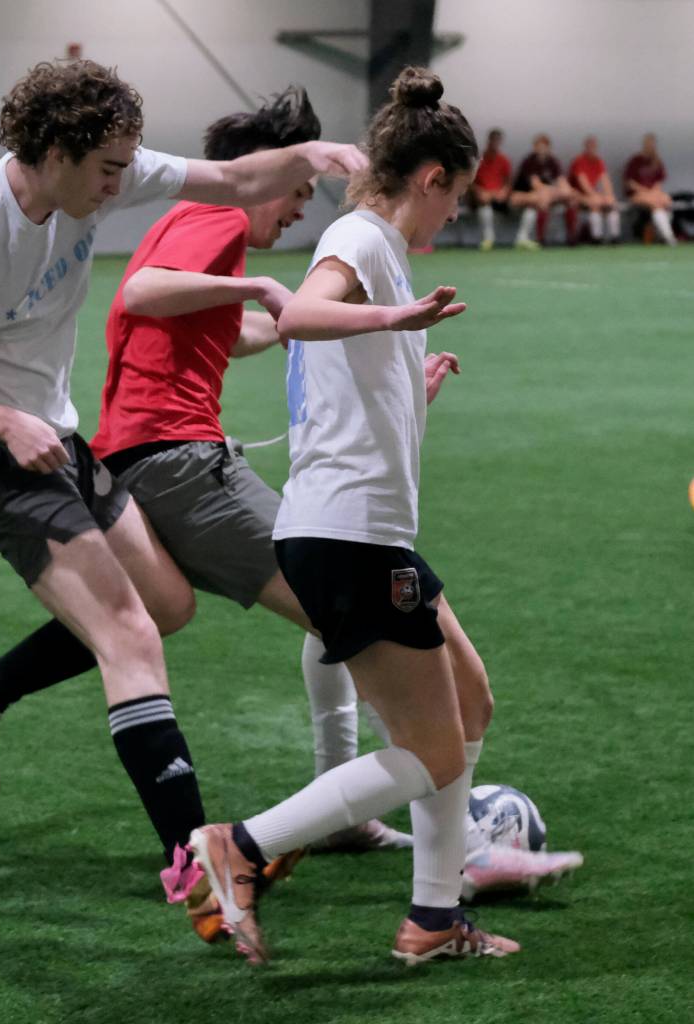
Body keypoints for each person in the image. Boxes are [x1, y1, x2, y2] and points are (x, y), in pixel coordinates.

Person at [0, 57, 364, 927]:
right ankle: (197, 867)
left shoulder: (96, 174)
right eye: (108, 170)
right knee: (129, 631)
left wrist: (315, 155)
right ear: (55, 152)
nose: (120, 185)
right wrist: (1, 422)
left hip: (54, 438)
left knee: (166, 604)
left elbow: (233, 179)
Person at [188, 66, 520, 967]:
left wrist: (410, 382)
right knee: (435, 753)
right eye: (457, 194)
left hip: (356, 529)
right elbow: (300, 316)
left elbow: (340, 382)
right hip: (347, 533)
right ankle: (240, 846)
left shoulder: (379, 250)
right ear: (431, 178)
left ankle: (434, 921)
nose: (456, 212)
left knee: (471, 700)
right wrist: (397, 318)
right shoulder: (361, 239)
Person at [510, 133, 577, 249]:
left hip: (547, 195)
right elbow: (536, 185)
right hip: (522, 196)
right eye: (539, 146)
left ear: (548, 147)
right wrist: (556, 191)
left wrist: (567, 191)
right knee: (543, 198)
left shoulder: (553, 161)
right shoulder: (529, 162)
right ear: (534, 147)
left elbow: (562, 182)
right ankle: (540, 239)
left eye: (544, 146)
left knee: (571, 198)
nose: (541, 149)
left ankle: (571, 237)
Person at [623, 133, 676, 245]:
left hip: (653, 193)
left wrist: (653, 193)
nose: (650, 146)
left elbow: (658, 182)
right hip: (638, 194)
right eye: (648, 144)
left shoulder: (657, 161)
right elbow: (630, 183)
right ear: (644, 144)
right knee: (655, 203)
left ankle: (660, 233)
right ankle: (668, 236)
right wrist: (646, 192)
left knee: (667, 200)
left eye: (652, 144)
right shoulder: (635, 161)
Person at [569, 135, 621, 243]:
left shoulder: (598, 161)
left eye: (594, 147)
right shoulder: (579, 161)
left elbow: (605, 180)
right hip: (577, 194)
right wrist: (595, 196)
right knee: (595, 204)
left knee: (611, 203)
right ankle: (596, 237)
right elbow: (583, 183)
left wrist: (609, 196)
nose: (592, 149)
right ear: (585, 147)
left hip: (592, 194)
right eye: (589, 146)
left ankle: (615, 236)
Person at [470, 129, 512, 251]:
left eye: (498, 141)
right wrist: (479, 192)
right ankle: (488, 238)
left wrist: (504, 192)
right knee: (484, 204)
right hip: (480, 197)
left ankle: (522, 238)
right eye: (493, 140)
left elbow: (508, 182)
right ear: (489, 141)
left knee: (520, 202)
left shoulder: (504, 160)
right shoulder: (478, 160)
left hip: (499, 197)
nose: (495, 143)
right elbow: (469, 182)